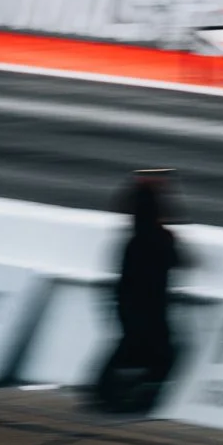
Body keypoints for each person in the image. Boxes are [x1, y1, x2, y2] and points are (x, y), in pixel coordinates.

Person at [91, 171, 185, 415]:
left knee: (128, 346)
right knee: (158, 350)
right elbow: (178, 262)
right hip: (152, 303)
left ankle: (104, 394)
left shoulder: (132, 241)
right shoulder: (162, 238)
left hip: (128, 300)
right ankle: (137, 396)